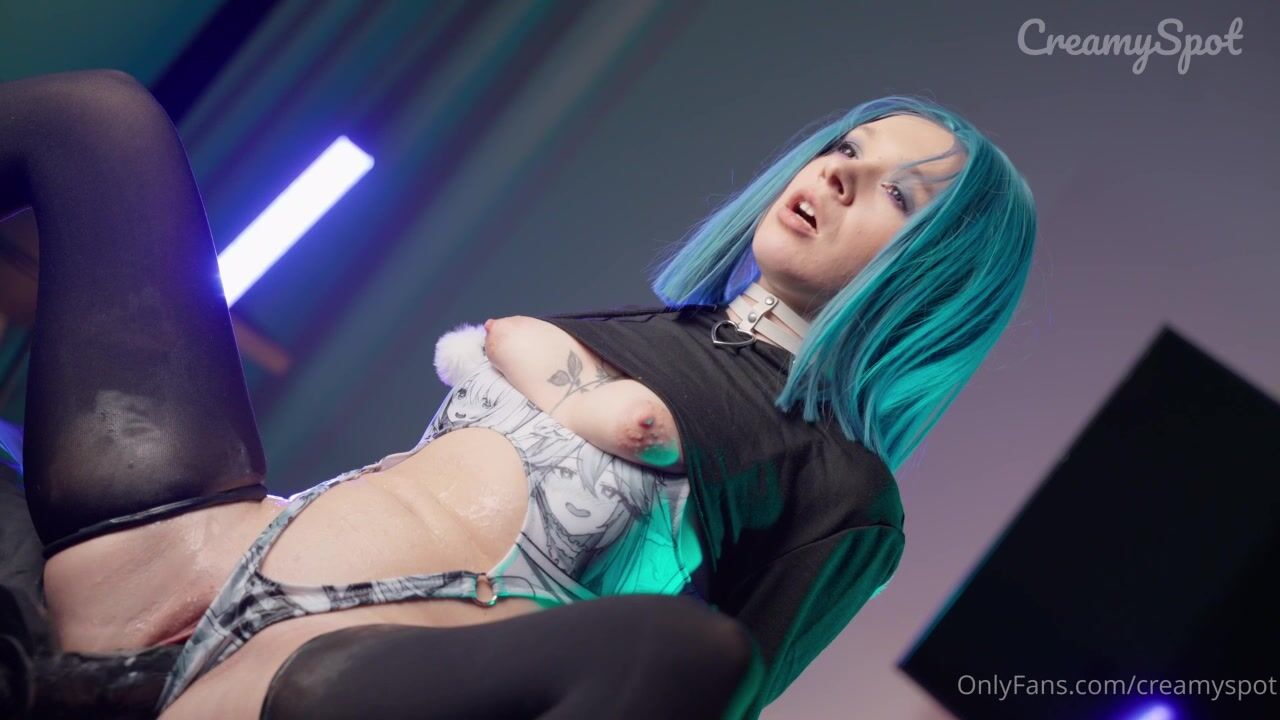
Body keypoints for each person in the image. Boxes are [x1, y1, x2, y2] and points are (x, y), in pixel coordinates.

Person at [0, 68, 1035, 719]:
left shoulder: (840, 487)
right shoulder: (640, 331)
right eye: (846, 148)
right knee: (96, 122)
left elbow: (710, 687)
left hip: (313, 686)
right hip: (191, 552)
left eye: (898, 194)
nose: (839, 174)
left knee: (694, 651)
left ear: (940, 276)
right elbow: (501, 342)